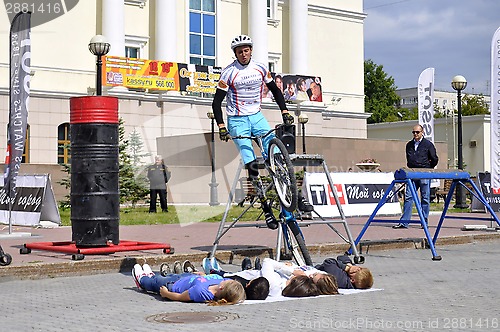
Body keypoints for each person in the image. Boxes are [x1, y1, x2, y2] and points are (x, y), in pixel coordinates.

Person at [211, 34, 295, 230]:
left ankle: (293, 198)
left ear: (251, 51)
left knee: (276, 153)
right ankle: (266, 209)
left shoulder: (260, 67)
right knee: (252, 165)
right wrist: (222, 126)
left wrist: (285, 111)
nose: (243, 54)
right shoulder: (228, 73)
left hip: (256, 116)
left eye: (246, 50)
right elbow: (216, 102)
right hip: (237, 120)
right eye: (239, 51)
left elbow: (275, 90)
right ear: (235, 54)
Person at [203, 257, 338, 297]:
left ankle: (214, 272)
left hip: (244, 277)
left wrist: (290, 270)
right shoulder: (290, 288)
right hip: (256, 276)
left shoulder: (273, 284)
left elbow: (267, 261)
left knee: (224, 275)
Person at [393, 124, 439, 229]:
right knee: (408, 197)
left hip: (424, 173)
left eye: (417, 132)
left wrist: (428, 167)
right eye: (413, 132)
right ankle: (404, 222)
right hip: (412, 173)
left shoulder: (428, 145)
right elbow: (408, 158)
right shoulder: (409, 145)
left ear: (422, 132)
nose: (415, 134)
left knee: (425, 197)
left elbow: (435, 158)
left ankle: (424, 222)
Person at [132, 263, 246, 305]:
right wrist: (202, 275)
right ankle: (151, 276)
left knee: (155, 282)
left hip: (173, 286)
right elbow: (207, 278)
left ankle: (142, 280)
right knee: (161, 277)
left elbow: (181, 297)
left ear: (222, 288)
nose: (226, 279)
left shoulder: (202, 293)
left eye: (228, 281)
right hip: (184, 277)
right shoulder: (218, 280)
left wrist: (166, 294)